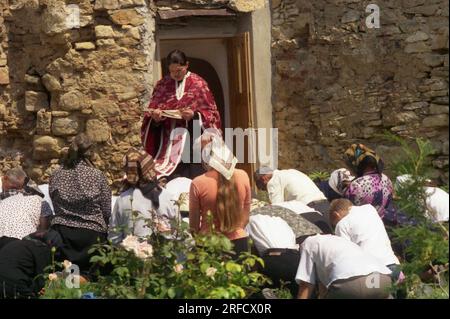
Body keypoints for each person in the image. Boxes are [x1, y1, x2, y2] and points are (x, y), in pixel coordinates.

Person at [141, 50, 222, 181]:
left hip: (193, 138)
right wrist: (156, 118)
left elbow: (211, 113)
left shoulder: (199, 84)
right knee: (172, 179)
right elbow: (152, 111)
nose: (175, 75)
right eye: (172, 71)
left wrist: (194, 115)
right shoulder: (162, 85)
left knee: (194, 178)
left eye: (179, 70)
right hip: (169, 141)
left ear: (187, 65)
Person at [49, 133, 111, 271]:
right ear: (91, 153)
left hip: (61, 233)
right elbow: (106, 209)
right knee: (90, 279)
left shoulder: (57, 174)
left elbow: (54, 200)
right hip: (91, 235)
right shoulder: (97, 175)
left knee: (65, 278)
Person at [189, 135, 251, 256]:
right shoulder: (243, 175)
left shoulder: (198, 183)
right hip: (239, 242)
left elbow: (194, 227)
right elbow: (246, 216)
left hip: (208, 243)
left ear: (206, 159)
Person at [108, 148, 179, 244]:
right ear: (150, 166)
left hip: (132, 257)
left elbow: (114, 238)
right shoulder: (168, 197)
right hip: (164, 256)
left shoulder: (122, 199)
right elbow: (179, 234)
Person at [296, 234, 392, 299]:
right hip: (382, 278)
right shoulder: (337, 241)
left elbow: (306, 285)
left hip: (353, 282)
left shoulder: (307, 243)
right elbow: (324, 289)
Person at [329, 199, 402, 281]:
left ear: (336, 214)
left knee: (377, 293)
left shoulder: (341, 225)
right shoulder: (370, 209)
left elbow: (346, 256)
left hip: (374, 272)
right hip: (393, 264)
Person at [254, 168, 331, 232]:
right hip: (325, 204)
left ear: (263, 179)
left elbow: (276, 208)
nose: (265, 191)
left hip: (310, 210)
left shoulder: (273, 181)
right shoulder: (292, 171)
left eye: (262, 188)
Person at [247, 214, 304, 297]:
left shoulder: (249, 221)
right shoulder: (280, 220)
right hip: (294, 257)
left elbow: (252, 254)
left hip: (271, 258)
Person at [344, 144, 394, 218]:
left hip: (364, 225)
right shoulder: (386, 179)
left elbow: (347, 210)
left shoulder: (356, 185)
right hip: (383, 223)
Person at [0, 172, 52, 243]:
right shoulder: (40, 200)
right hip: (26, 244)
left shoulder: (3, 200)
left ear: (5, 178)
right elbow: (43, 231)